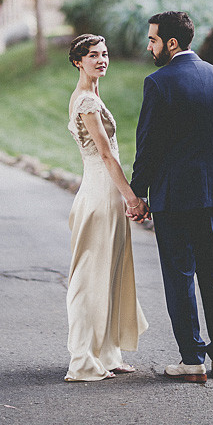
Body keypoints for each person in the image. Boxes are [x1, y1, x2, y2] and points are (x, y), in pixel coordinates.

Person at [128, 11, 213, 384]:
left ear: (171, 43)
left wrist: (137, 193)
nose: (149, 46)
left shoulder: (158, 83)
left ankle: (192, 359)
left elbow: (148, 146)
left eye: (153, 40)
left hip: (174, 197)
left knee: (180, 275)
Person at [65, 34, 148, 382]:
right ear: (77, 62)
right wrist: (132, 197)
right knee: (91, 277)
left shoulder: (95, 95)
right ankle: (83, 360)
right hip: (101, 196)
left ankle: (107, 352)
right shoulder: (85, 101)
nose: (102, 60)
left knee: (110, 274)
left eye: (105, 54)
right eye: (93, 55)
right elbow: (105, 154)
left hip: (105, 194)